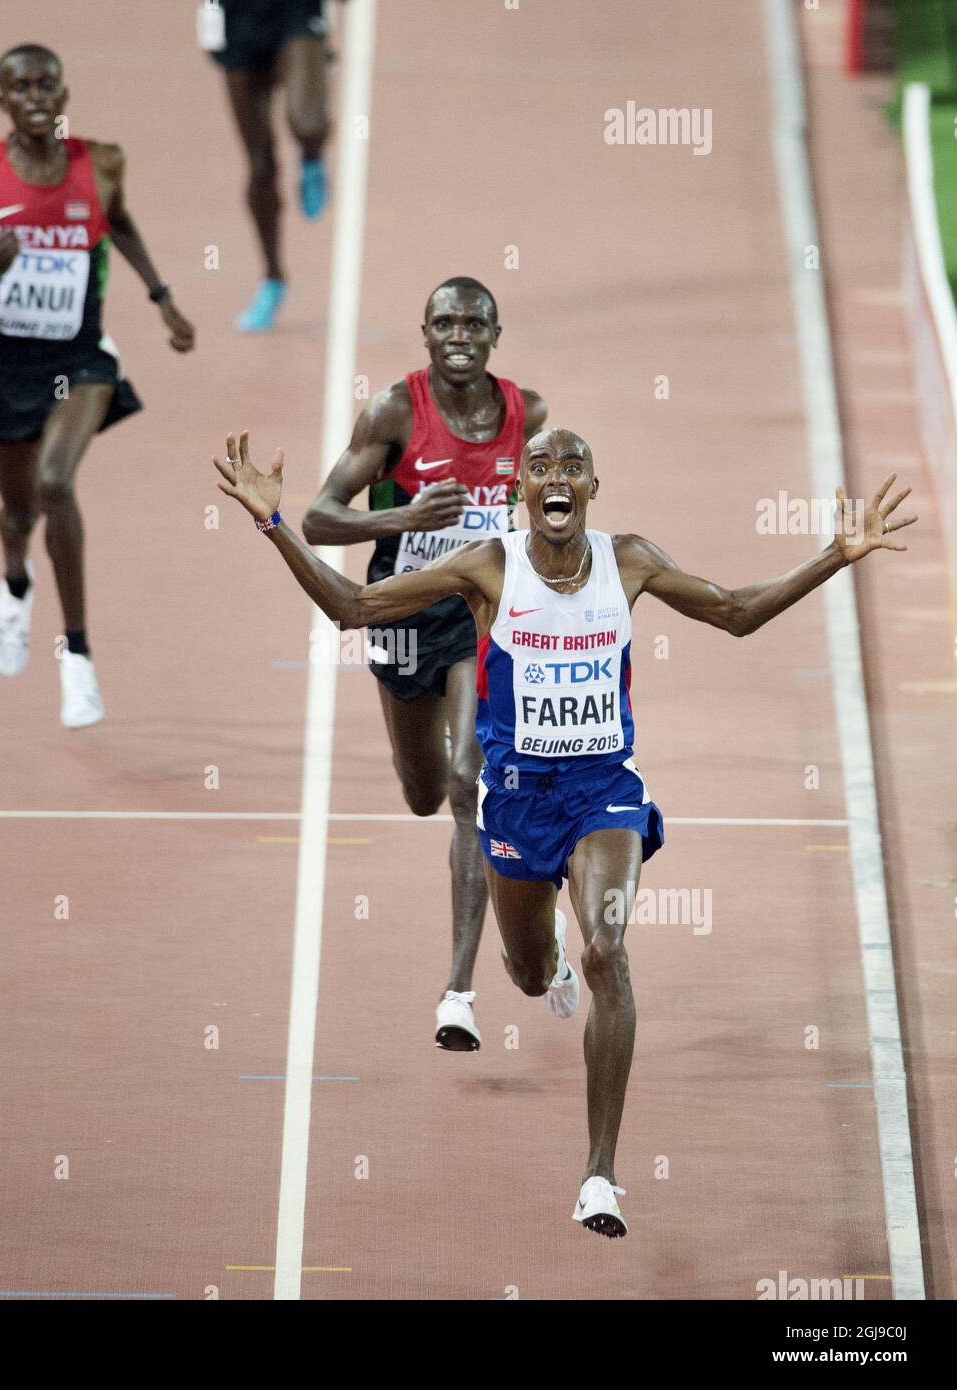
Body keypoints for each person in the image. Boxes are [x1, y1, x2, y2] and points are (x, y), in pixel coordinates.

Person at [212, 425, 915, 1237]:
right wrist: (272, 524)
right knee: (529, 972)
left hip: (601, 793)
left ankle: (599, 1177)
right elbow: (355, 608)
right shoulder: (489, 566)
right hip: (515, 801)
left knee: (608, 952)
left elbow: (736, 613)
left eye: (572, 466)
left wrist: (835, 553)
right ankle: (540, 927)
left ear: (591, 487)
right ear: (521, 492)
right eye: (539, 465)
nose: (556, 476)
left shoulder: (632, 560)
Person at [303, 277, 546, 1052]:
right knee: (420, 792)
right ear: (426, 332)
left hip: (481, 613)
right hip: (404, 611)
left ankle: (459, 991)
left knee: (468, 783)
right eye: (445, 321)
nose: (460, 333)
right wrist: (407, 514)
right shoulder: (394, 411)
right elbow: (316, 518)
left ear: (496, 332)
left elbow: (547, 510)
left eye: (474, 321)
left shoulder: (527, 415)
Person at [0, 42, 195, 727]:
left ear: (64, 93)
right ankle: (15, 582)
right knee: (18, 514)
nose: (38, 96)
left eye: (48, 84)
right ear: (3, 102)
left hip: (81, 362)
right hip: (7, 369)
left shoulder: (101, 163)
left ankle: (77, 656)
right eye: (22, 87)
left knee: (55, 483)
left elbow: (120, 219)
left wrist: (161, 296)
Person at [201, 0, 336, 331]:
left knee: (307, 123)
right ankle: (273, 278)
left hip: (295, 12)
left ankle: (312, 156)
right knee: (260, 166)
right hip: (239, 19)